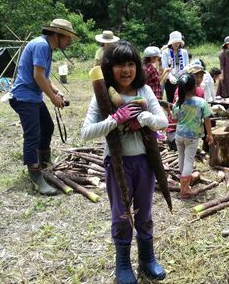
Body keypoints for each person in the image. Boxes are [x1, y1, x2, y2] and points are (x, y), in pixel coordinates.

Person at [81, 41, 168, 284]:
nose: (126, 70)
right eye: (120, 64)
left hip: (144, 163)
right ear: (110, 67)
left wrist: (144, 117)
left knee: (145, 211)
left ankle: (147, 259)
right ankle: (123, 264)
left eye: (131, 64)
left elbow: (163, 121)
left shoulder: (144, 91)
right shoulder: (102, 94)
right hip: (117, 165)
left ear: (137, 67)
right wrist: (114, 119)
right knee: (121, 214)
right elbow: (86, 132)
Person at [9, 18, 78, 195]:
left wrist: (56, 91)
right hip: (24, 97)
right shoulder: (41, 45)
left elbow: (44, 76)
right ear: (57, 35)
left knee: (47, 126)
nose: (69, 41)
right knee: (33, 135)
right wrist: (53, 99)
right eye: (67, 38)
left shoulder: (46, 47)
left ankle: (44, 163)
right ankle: (36, 176)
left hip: (33, 97)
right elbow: (37, 76)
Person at [172, 73, 213, 199]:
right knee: (189, 160)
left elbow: (174, 118)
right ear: (194, 86)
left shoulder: (177, 103)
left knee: (181, 157)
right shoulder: (201, 102)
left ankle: (183, 185)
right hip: (192, 137)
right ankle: (184, 190)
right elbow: (207, 119)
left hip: (178, 135)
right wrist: (209, 134)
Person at [161, 31, 189, 102]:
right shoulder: (165, 53)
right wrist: (170, 76)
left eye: (178, 42)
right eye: (175, 42)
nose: (177, 44)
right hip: (170, 80)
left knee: (181, 99)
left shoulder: (184, 52)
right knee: (170, 100)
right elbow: (165, 66)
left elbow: (187, 65)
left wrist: (186, 69)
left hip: (182, 79)